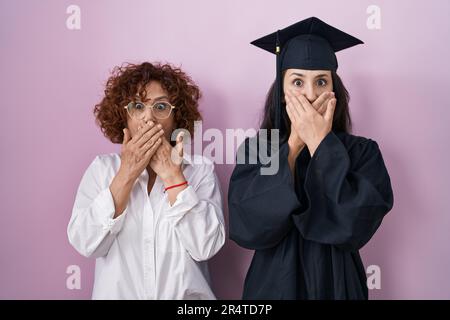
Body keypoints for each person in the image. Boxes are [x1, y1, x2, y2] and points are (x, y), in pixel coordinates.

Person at [228, 17, 394, 299]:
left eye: (321, 81)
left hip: (338, 283)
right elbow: (250, 226)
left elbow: (356, 225)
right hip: (273, 286)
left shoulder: (362, 152)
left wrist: (319, 141)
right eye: (297, 82)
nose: (309, 93)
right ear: (282, 94)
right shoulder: (261, 149)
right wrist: (294, 144)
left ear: (334, 92)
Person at [68, 62, 225, 299]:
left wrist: (173, 176)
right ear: (124, 116)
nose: (148, 118)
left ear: (176, 118)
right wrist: (127, 173)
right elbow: (86, 243)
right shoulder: (102, 170)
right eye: (137, 106)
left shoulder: (199, 170)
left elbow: (206, 247)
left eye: (161, 106)